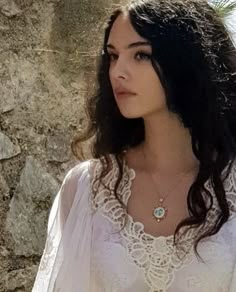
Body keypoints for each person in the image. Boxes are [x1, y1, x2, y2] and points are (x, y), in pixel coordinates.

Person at [32, 0, 236, 291]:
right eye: (113, 56)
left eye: (140, 55)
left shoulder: (232, 183)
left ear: (186, 62)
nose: (118, 72)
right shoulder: (87, 188)